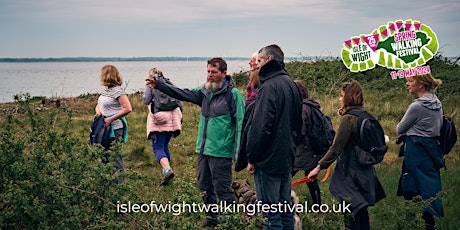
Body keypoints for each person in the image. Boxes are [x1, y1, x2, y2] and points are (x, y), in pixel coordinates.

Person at [145, 57, 245, 227]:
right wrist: (159, 86)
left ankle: (231, 222)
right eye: (208, 71)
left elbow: (241, 124)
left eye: (214, 72)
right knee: (204, 185)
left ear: (224, 73)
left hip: (221, 151)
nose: (210, 75)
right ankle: (213, 218)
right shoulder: (205, 92)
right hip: (203, 149)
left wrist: (239, 155)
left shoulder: (233, 95)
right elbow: (182, 93)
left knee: (222, 188)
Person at [307, 80, 386, 230]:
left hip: (351, 170)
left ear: (348, 97)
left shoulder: (348, 119)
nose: (339, 99)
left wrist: (319, 167)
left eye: (341, 95)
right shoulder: (364, 114)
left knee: (351, 210)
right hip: (365, 169)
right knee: (361, 209)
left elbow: (336, 147)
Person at [245, 44, 303, 229]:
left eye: (259, 61)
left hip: (268, 161)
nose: (257, 65)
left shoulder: (268, 86)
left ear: (269, 60)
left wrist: (252, 157)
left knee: (270, 215)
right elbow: (298, 124)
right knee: (285, 210)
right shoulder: (291, 85)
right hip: (286, 158)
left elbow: (261, 127)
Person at [396, 73, 443, 230]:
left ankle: (418, 224)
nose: (407, 84)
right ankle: (429, 224)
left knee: (413, 186)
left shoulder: (417, 106)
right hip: (431, 150)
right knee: (428, 187)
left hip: (416, 151)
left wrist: (411, 129)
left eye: (411, 81)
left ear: (421, 84)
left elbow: (399, 128)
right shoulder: (436, 102)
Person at [143, 67, 182, 186]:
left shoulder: (150, 84)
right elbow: (179, 100)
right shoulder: (169, 83)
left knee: (158, 147)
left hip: (158, 120)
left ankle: (167, 170)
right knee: (165, 145)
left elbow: (146, 100)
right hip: (172, 119)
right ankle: (166, 175)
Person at [95, 64, 132, 184]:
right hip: (104, 127)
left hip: (115, 129)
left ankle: (119, 186)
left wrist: (111, 119)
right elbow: (99, 104)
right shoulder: (106, 90)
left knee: (114, 157)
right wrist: (98, 111)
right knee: (103, 154)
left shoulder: (118, 91)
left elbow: (127, 108)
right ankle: (105, 183)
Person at [291, 79, 322, 205]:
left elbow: (300, 131)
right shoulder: (312, 105)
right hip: (312, 150)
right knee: (311, 180)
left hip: (303, 151)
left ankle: (281, 204)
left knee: (284, 177)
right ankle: (318, 206)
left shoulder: (302, 108)